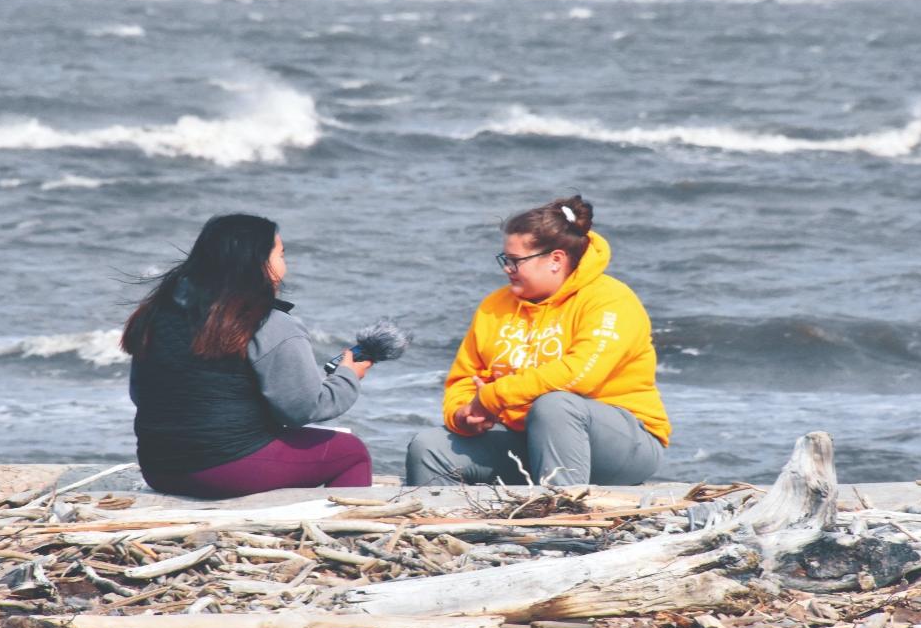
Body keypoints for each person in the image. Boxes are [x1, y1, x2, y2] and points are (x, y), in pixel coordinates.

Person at [406, 195, 670, 486]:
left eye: (515, 261)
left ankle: (565, 519)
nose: (507, 268)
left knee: (556, 406)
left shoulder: (610, 300)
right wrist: (463, 413)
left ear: (556, 259)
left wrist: (492, 397)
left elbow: (580, 375)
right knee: (429, 446)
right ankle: (449, 526)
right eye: (505, 260)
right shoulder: (494, 306)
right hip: (527, 440)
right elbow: (466, 378)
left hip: (623, 445)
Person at [122, 214, 372, 498]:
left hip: (160, 469)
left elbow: (140, 395)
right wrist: (349, 375)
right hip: (224, 470)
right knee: (351, 452)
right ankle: (335, 533)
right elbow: (304, 410)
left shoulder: (157, 312)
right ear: (260, 264)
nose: (284, 265)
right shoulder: (268, 322)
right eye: (281, 254)